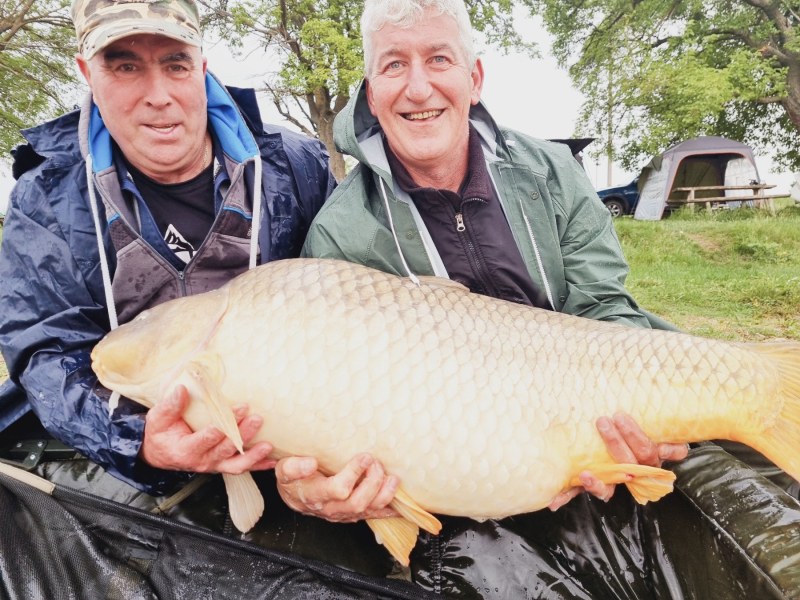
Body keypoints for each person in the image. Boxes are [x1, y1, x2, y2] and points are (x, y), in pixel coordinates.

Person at [281, 0, 691, 595]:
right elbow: (331, 396)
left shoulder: (550, 170)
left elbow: (604, 307)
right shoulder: (341, 234)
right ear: (370, 94)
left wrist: (629, 427)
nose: (418, 87)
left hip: (577, 409)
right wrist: (315, 480)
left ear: (474, 80)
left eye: (438, 58)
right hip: (457, 455)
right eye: (393, 65)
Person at [0, 0, 335, 495]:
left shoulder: (295, 164)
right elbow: (45, 350)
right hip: (132, 449)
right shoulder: (47, 198)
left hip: (287, 437)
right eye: (125, 66)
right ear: (86, 73)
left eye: (175, 65)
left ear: (202, 66)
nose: (158, 96)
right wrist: (140, 442)